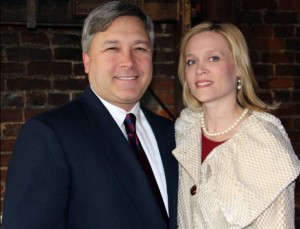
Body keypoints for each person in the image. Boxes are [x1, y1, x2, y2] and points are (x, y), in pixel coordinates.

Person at [2, 1, 178, 228]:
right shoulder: (50, 136)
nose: (128, 61)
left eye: (140, 48)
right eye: (112, 48)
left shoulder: (171, 133)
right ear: (86, 60)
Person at [172, 21, 300, 228]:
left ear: (238, 68)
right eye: (191, 62)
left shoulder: (264, 142)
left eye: (213, 58)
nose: (200, 70)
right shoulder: (184, 130)